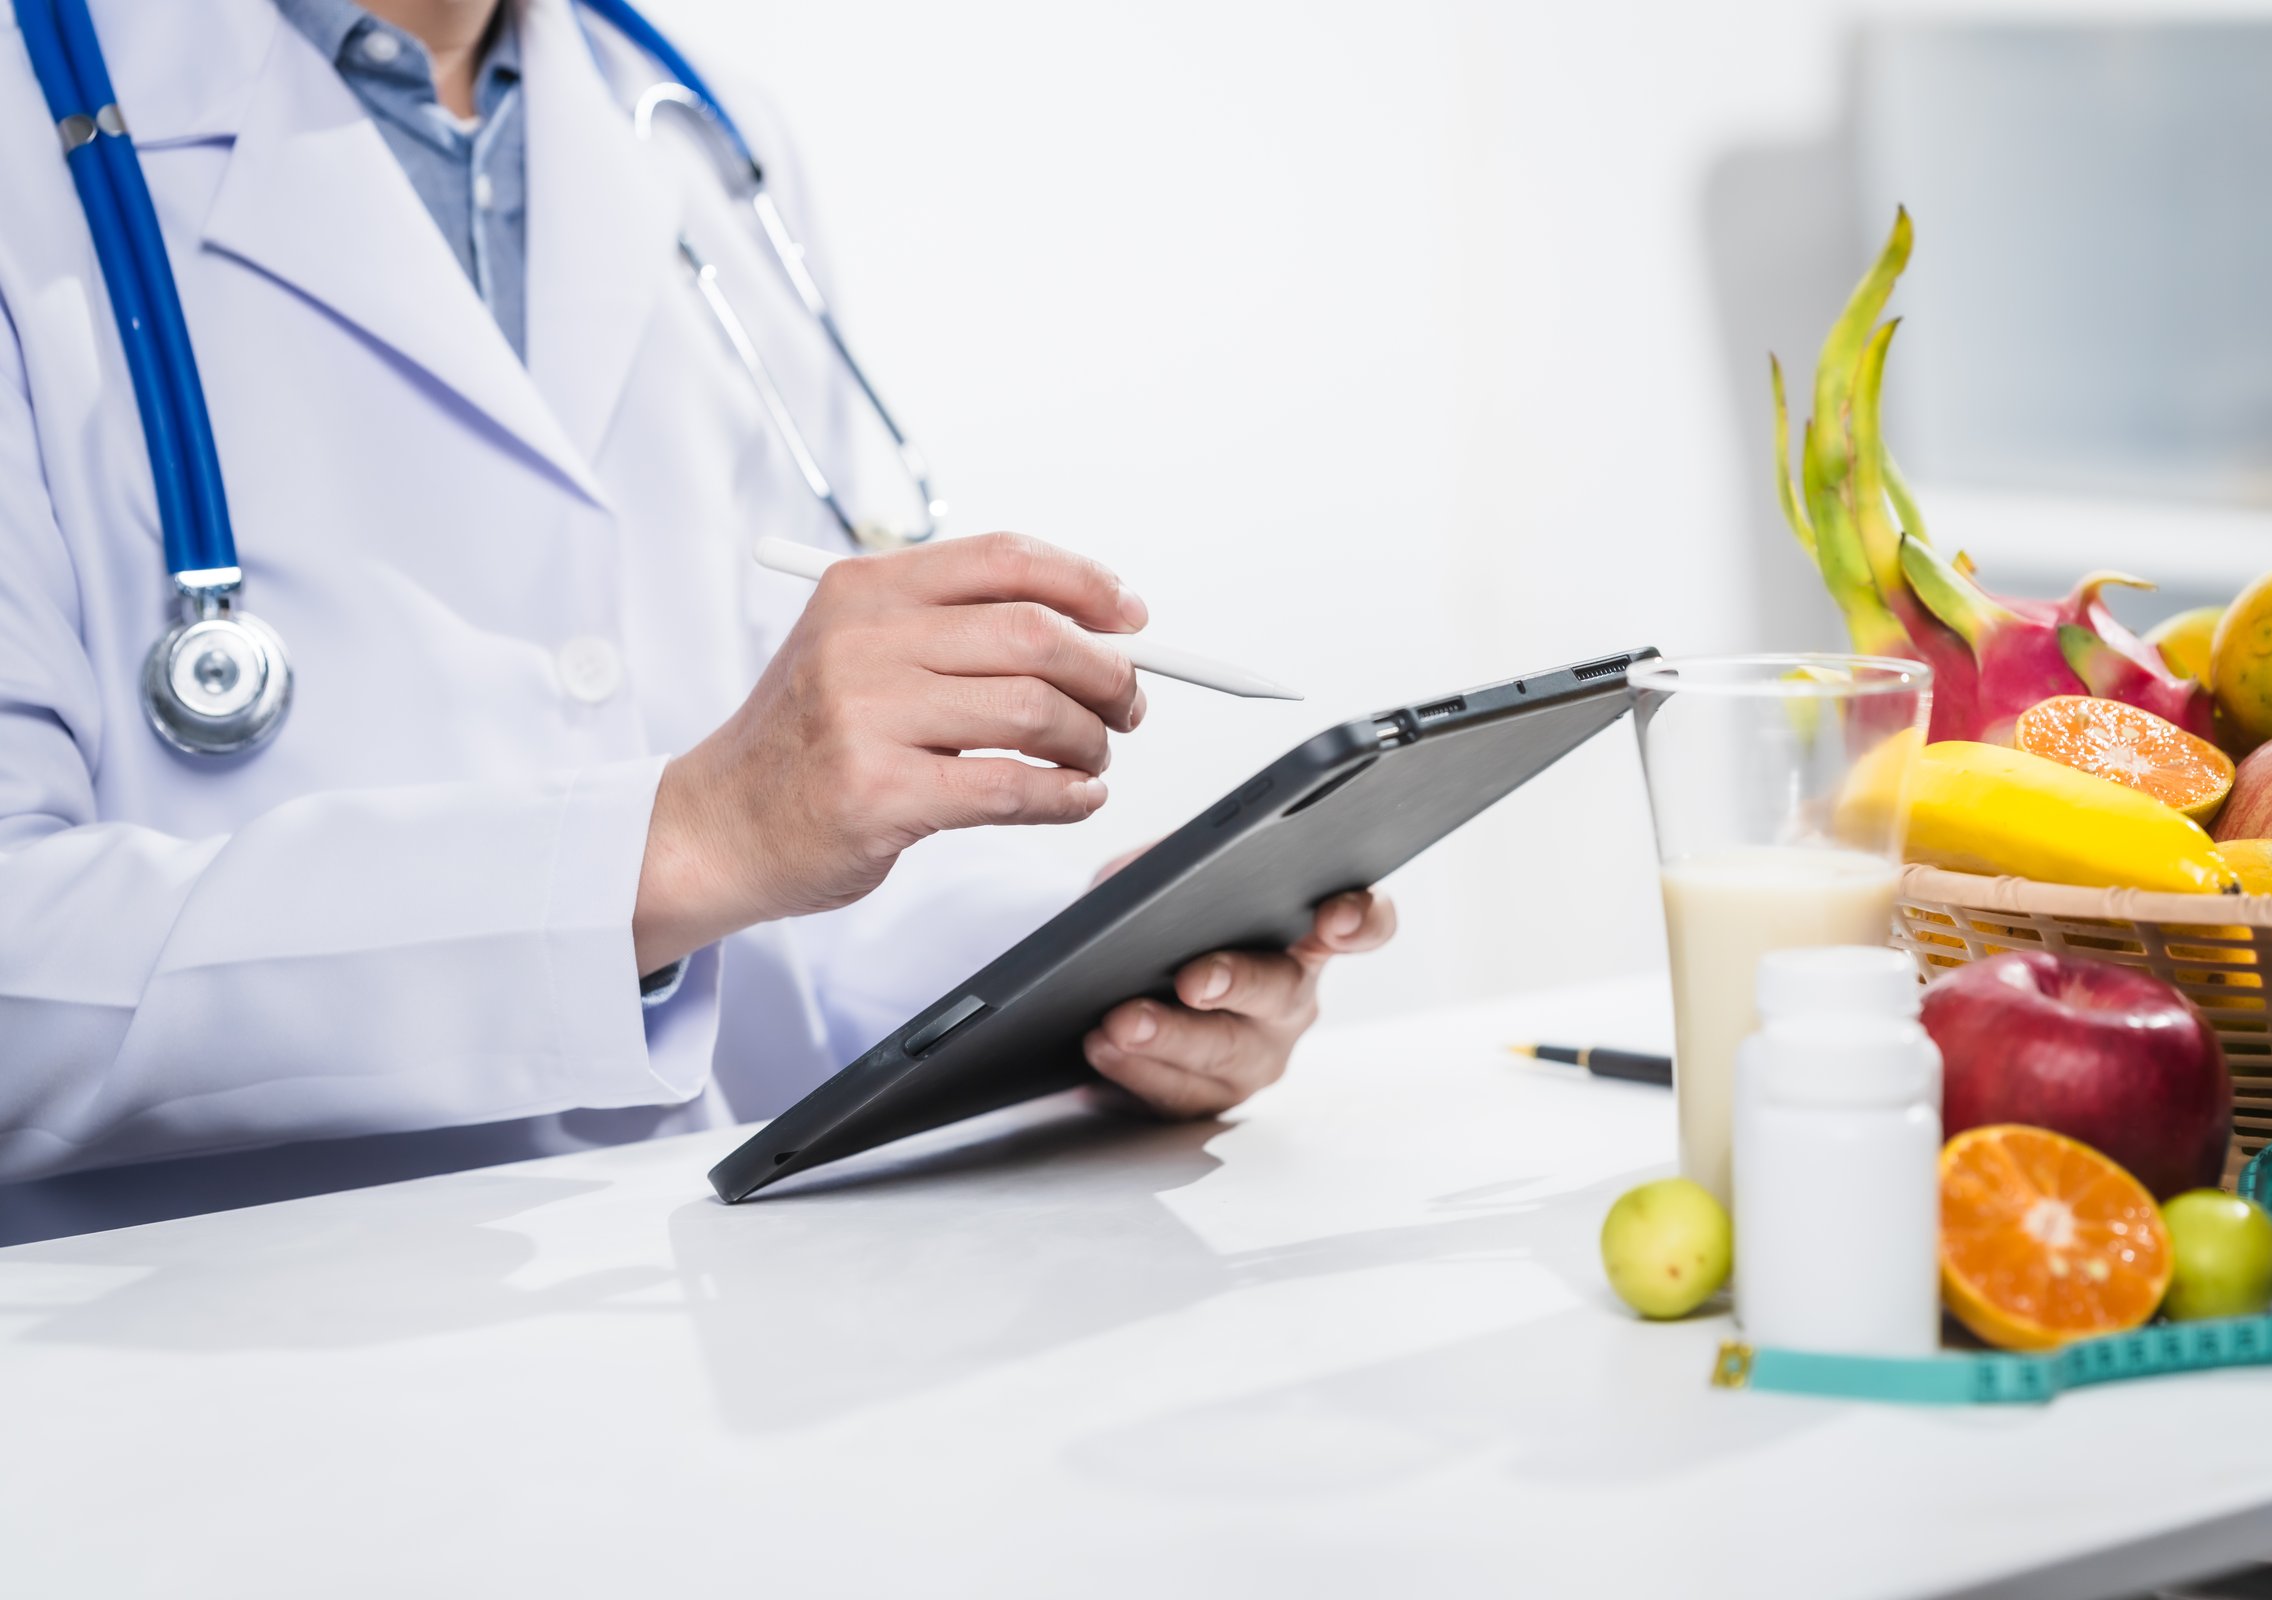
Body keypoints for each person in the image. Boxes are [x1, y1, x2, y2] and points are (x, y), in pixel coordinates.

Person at [0, 0, 1394, 1235]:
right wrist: (673, 846)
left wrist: (1075, 986)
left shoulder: (692, 130)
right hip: (198, 1386)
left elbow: (801, 891)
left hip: (684, 1327)